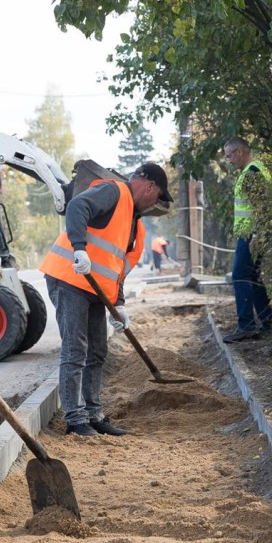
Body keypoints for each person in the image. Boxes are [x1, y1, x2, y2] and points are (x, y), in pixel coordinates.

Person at [39, 162, 173, 438]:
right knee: (76, 350)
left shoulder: (134, 224)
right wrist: (79, 249)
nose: (154, 203)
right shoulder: (114, 192)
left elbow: (117, 268)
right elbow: (77, 207)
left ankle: (93, 414)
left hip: (94, 290)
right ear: (148, 185)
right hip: (69, 278)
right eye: (157, 196)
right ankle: (75, 420)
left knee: (97, 351)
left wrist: (119, 304)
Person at [222, 137, 272, 342]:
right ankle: (267, 321)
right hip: (252, 234)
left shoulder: (253, 172)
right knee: (253, 277)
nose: (228, 161)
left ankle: (246, 326)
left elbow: (261, 205)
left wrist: (257, 235)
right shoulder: (253, 170)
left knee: (240, 276)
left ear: (239, 152)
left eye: (229, 156)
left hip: (251, 236)